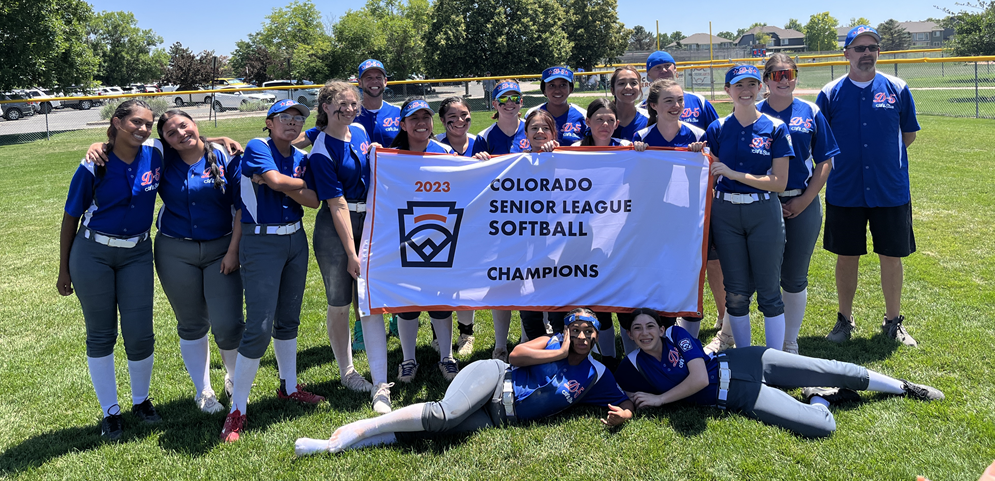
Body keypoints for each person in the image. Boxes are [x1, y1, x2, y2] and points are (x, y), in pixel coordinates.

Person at [294, 308, 635, 455]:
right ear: (566, 331)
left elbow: (626, 401)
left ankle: (331, 445)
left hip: (498, 417)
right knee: (445, 414)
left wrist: (625, 415)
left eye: (588, 331)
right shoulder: (549, 344)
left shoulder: (597, 374)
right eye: (575, 329)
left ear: (596, 336)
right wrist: (557, 354)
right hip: (493, 378)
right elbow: (514, 356)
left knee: (435, 431)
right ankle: (364, 427)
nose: (581, 336)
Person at [82, 114, 247, 415]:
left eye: (185, 126)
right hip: (174, 250)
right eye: (171, 132)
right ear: (165, 140)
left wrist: (234, 251)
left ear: (196, 124)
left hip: (222, 248)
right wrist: (98, 145)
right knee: (192, 324)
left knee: (228, 324)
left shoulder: (222, 155)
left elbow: (240, 207)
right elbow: (123, 145)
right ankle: (204, 391)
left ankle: (236, 380)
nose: (180, 133)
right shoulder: (161, 155)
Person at [614, 309, 943, 437]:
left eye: (650, 327)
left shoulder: (678, 336)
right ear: (630, 335)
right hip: (739, 396)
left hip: (749, 362)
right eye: (638, 329)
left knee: (834, 369)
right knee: (820, 426)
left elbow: (699, 379)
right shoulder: (631, 367)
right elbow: (623, 397)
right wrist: (627, 410)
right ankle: (819, 396)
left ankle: (904, 387)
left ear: (660, 328)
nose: (645, 333)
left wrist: (660, 399)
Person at [58, 99, 164, 441]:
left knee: (140, 333)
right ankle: (110, 413)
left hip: (136, 252)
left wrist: (221, 142)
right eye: (136, 122)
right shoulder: (94, 164)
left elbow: (190, 142)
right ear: (117, 123)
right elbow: (70, 217)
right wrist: (64, 269)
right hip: (93, 254)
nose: (143, 129)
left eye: (148, 123)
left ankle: (141, 402)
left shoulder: (156, 154)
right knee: (101, 334)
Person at [221, 99, 323, 443]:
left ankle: (289, 386)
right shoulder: (258, 145)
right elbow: (278, 181)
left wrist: (282, 183)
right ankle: (237, 408)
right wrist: (284, 183)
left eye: (298, 119)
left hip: (295, 238)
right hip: (261, 240)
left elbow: (312, 201)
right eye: (285, 117)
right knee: (259, 325)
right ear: (269, 122)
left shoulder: (300, 157)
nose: (292, 123)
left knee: (289, 319)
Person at [817, 26, 921, 347]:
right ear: (846, 53)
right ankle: (844, 320)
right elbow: (820, 140)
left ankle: (893, 321)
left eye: (872, 47)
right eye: (859, 48)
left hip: (889, 189)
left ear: (878, 52)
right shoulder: (830, 92)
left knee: (891, 255)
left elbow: (908, 134)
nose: (866, 53)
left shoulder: (897, 88)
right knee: (847, 256)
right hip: (845, 189)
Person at [304, 80, 393, 413]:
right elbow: (337, 204)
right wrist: (352, 253)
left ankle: (380, 378)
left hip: (368, 221)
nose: (351, 109)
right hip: (336, 228)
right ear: (326, 107)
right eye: (343, 103)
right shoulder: (322, 149)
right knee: (340, 301)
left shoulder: (358, 132)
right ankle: (347, 371)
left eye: (354, 103)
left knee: (369, 299)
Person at [757, 54, 841, 354]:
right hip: (762, 202)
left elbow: (825, 160)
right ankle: (728, 334)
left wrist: (805, 200)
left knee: (794, 276)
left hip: (802, 200)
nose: (785, 80)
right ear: (766, 80)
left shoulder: (811, 111)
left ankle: (789, 342)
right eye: (777, 75)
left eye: (790, 73)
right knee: (754, 273)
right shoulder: (753, 113)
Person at [705, 65, 793, 350]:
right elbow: (706, 172)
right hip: (726, 213)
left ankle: (776, 361)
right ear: (727, 90)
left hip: (763, 211)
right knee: (736, 293)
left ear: (761, 88)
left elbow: (779, 183)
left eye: (751, 84)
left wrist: (734, 174)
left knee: (769, 291)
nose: (745, 91)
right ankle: (743, 357)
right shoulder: (717, 128)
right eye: (738, 85)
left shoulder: (775, 127)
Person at [389, 98, 462, 383]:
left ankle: (447, 355)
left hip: (439, 231)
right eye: (414, 118)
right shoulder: (390, 157)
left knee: (440, 299)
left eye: (426, 117)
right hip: (404, 234)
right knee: (407, 301)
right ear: (403, 124)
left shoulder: (445, 153)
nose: (421, 123)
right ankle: (408, 359)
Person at [472, 79, 528, 361]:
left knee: (534, 277)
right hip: (501, 220)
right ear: (494, 104)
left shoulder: (534, 130)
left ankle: (530, 337)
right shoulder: (484, 137)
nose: (510, 103)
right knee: (503, 280)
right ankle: (500, 343)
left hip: (533, 217)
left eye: (515, 98)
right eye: (503, 98)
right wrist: (479, 162)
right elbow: (473, 182)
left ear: (522, 102)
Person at [434, 96, 485, 356]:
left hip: (473, 220)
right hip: (440, 219)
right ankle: (437, 334)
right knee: (439, 276)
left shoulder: (480, 142)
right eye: (452, 117)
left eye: (464, 115)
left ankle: (467, 333)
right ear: (442, 121)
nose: (459, 121)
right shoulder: (433, 145)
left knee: (466, 278)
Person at [641, 51, 719, 130]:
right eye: (658, 67)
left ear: (675, 69)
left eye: (667, 65)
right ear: (649, 74)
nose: (664, 70)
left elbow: (717, 132)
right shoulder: (641, 109)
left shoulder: (699, 101)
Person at [525, 66, 587, 145]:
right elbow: (524, 146)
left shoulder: (583, 116)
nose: (557, 90)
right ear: (544, 90)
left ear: (570, 89)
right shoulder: (532, 114)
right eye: (551, 85)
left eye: (563, 85)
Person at [609, 66, 650, 142]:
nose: (628, 87)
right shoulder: (602, 119)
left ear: (640, 88)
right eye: (621, 83)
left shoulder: (649, 120)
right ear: (612, 90)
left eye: (633, 83)